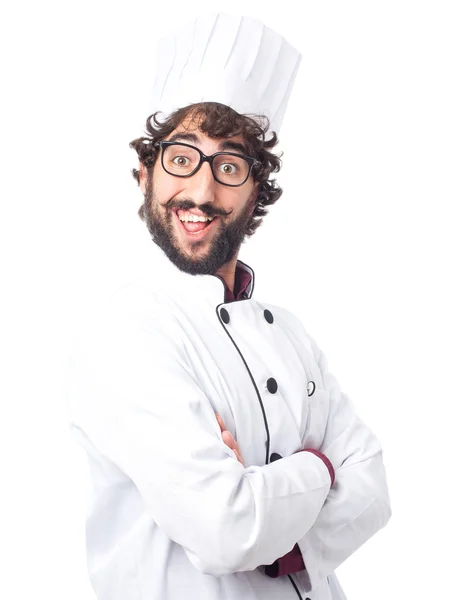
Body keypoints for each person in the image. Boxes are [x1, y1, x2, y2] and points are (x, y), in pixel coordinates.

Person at [65, 13, 391, 600]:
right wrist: (319, 466)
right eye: (181, 158)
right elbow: (225, 530)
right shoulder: (129, 330)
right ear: (146, 173)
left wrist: (278, 519)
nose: (202, 191)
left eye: (230, 166)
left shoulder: (291, 337)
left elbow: (372, 484)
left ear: (256, 191)